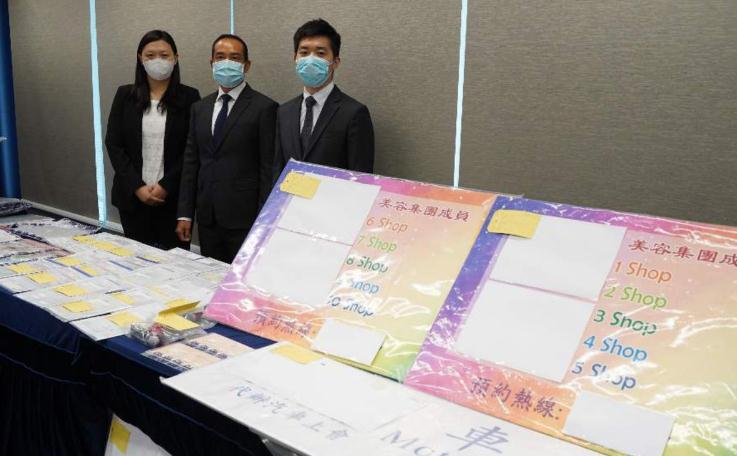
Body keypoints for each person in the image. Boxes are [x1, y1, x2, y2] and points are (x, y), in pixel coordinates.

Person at [176, 34, 277, 263]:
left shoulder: (265, 108)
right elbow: (191, 163)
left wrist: (265, 221)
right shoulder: (199, 108)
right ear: (212, 63)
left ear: (246, 65)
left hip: (246, 219)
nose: (227, 63)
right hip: (207, 217)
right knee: (209, 277)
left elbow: (268, 169)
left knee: (241, 279)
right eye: (220, 57)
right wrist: (185, 213)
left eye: (235, 57)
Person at [106, 30, 200, 249]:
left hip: (173, 199)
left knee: (175, 261)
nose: (158, 60)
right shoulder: (125, 95)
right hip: (132, 197)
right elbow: (114, 144)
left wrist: (165, 186)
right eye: (150, 55)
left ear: (176, 58)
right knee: (137, 260)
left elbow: (191, 149)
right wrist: (137, 187)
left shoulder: (190, 97)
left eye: (164, 55)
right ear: (140, 58)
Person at [274, 18, 374, 179]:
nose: (310, 59)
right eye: (304, 52)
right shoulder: (284, 111)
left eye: (320, 53)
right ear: (295, 58)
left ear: (335, 62)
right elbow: (278, 168)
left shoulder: (354, 113)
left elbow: (361, 177)